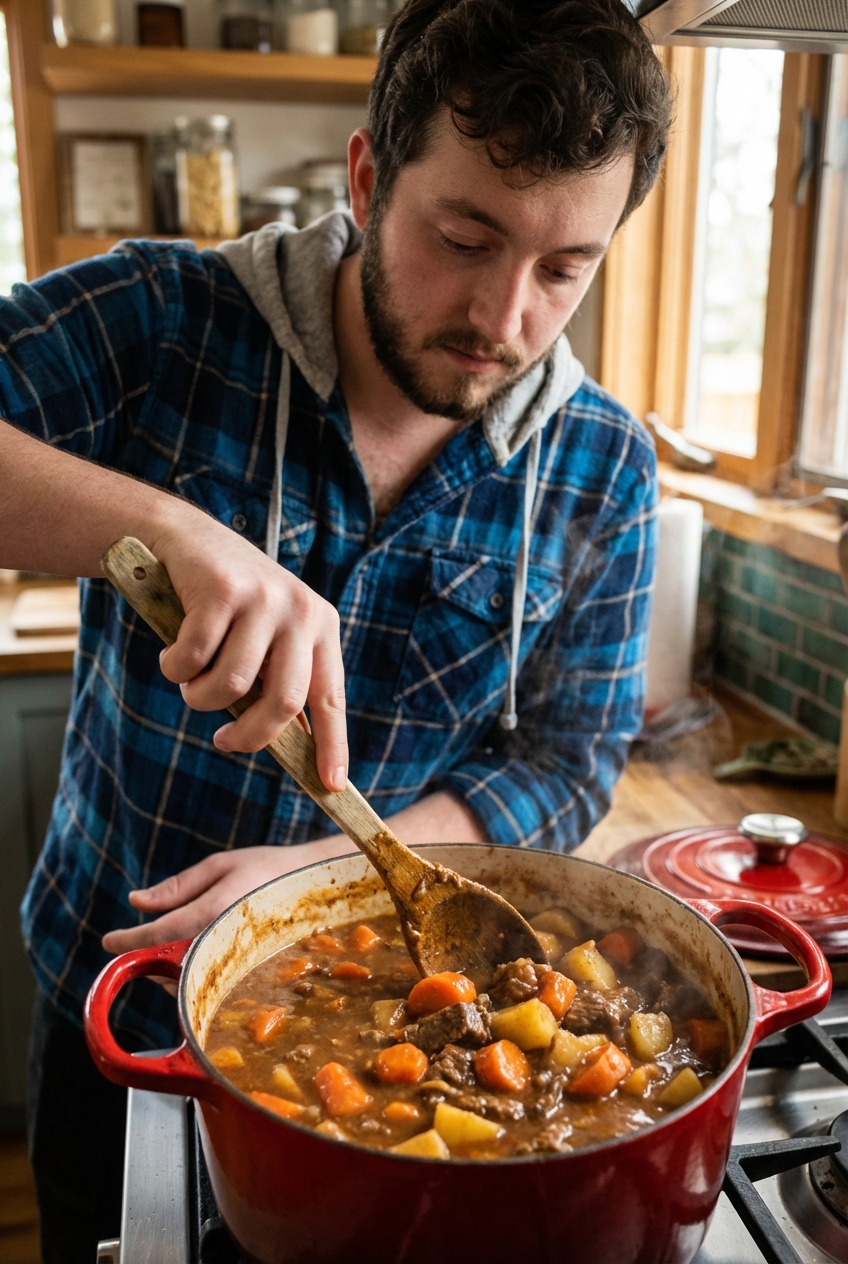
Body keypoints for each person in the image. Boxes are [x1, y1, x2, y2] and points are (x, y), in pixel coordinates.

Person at [0, 0, 671, 1258]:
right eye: (462, 235)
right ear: (368, 176)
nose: (502, 317)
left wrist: (322, 881)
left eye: (562, 268)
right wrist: (157, 525)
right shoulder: (162, 320)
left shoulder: (606, 470)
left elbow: (567, 759)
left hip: (394, 1030)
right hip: (117, 984)